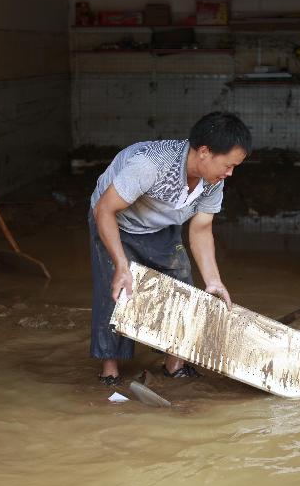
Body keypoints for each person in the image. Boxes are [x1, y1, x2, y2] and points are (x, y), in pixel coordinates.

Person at [89, 112, 252, 385]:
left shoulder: (214, 181)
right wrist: (120, 264)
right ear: (204, 152)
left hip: (160, 223)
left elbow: (200, 229)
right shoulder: (150, 164)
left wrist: (213, 281)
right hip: (115, 220)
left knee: (183, 285)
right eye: (227, 165)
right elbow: (105, 209)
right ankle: (110, 371)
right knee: (117, 292)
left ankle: (174, 364)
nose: (229, 173)